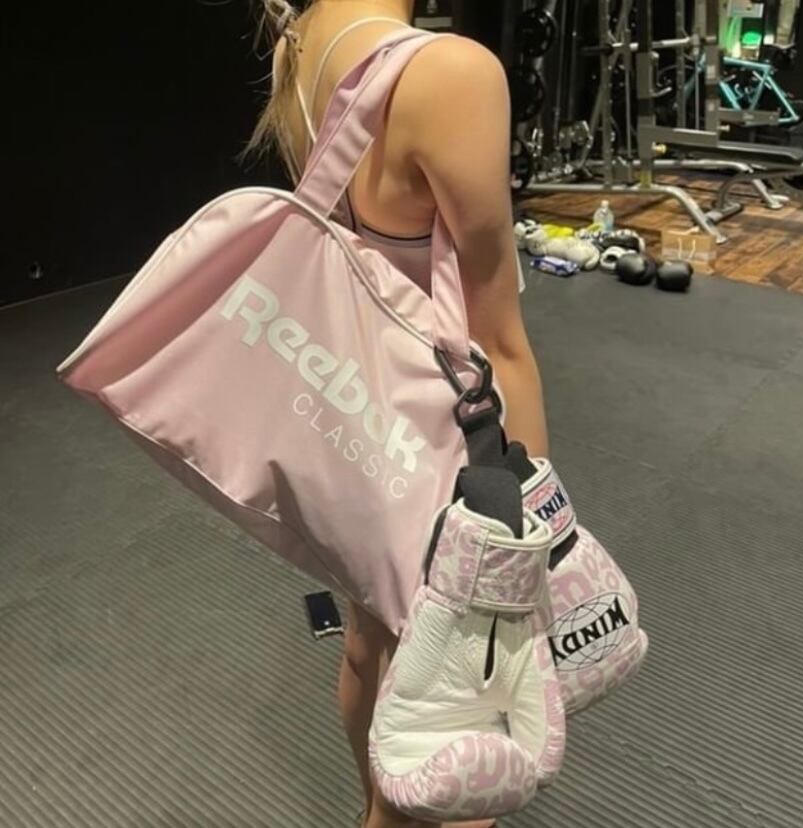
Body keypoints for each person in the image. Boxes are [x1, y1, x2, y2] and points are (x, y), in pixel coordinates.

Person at [246, 2, 549, 826]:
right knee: (462, 698)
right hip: (438, 444)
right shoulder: (450, 72)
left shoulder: (303, 41)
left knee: (372, 643)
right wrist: (537, 525)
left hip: (354, 421)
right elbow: (498, 339)